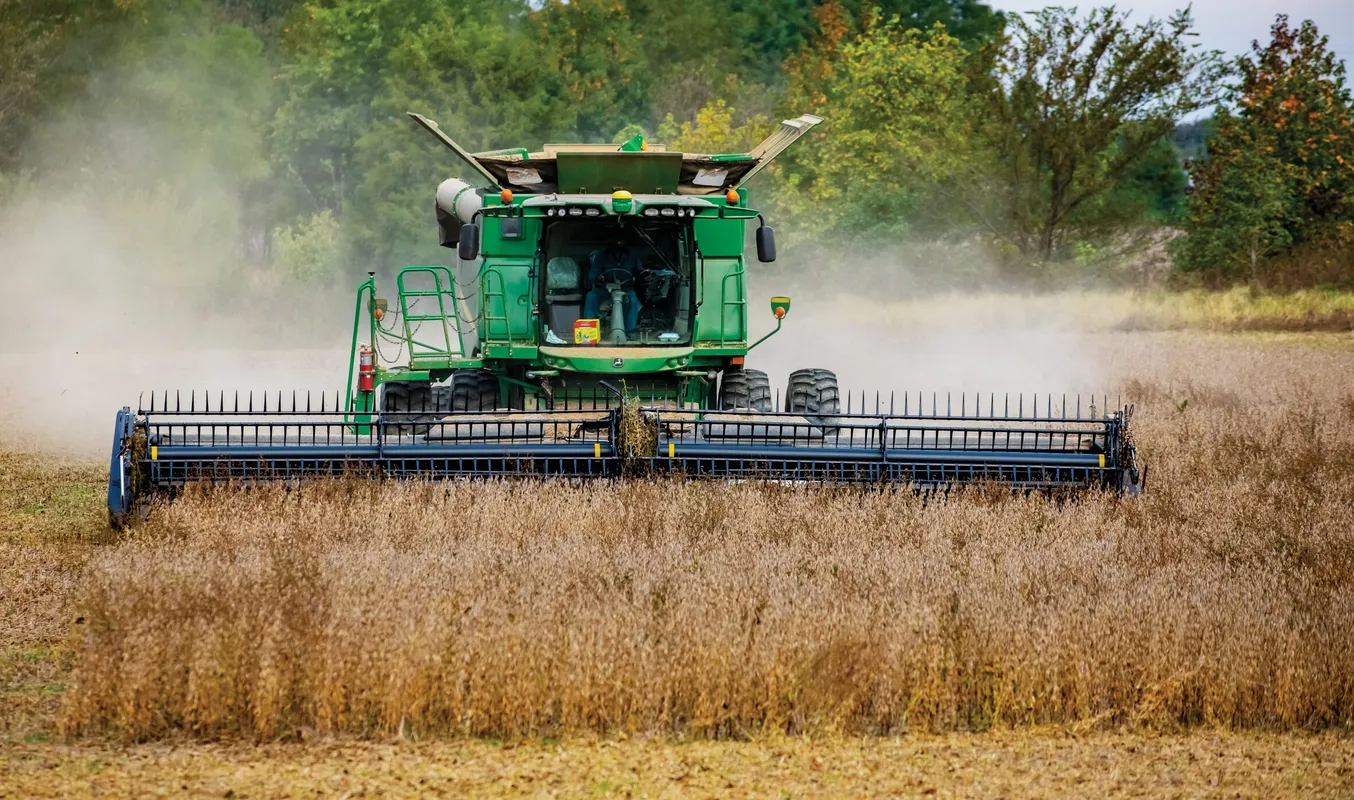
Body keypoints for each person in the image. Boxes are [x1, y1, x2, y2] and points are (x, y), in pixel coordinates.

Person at [583, 232, 644, 334]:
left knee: (632, 298)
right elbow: (592, 274)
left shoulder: (632, 255)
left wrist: (643, 275)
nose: (619, 243)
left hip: (624, 289)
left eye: (621, 240)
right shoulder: (601, 255)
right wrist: (598, 277)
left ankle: (630, 331)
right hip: (604, 288)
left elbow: (640, 271)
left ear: (625, 241)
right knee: (591, 296)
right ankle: (589, 331)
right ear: (610, 241)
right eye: (616, 240)